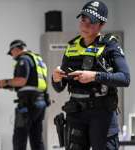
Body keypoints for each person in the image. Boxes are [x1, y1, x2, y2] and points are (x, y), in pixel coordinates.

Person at [52, 1, 130, 150]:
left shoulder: (110, 45)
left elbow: (125, 79)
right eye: (83, 20)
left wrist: (94, 76)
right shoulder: (71, 46)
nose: (85, 26)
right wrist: (55, 79)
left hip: (102, 115)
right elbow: (59, 87)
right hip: (75, 114)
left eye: (91, 22)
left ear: (101, 25)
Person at [0, 40, 48, 150]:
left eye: (11, 53)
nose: (12, 56)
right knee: (36, 139)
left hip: (27, 104)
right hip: (40, 102)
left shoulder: (23, 59)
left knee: (19, 138)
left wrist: (5, 82)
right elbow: (31, 83)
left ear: (16, 49)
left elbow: (21, 81)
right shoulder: (37, 60)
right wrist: (10, 86)